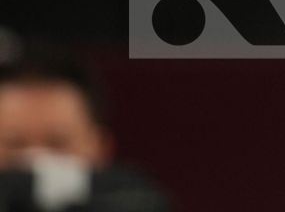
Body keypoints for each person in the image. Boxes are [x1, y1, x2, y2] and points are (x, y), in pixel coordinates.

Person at [0, 47, 172, 211]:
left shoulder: (140, 199)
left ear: (101, 146)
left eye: (58, 143)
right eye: (15, 144)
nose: (35, 161)